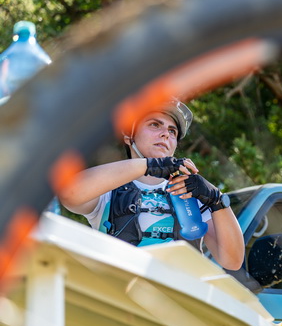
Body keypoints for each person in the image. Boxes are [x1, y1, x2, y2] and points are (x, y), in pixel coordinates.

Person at [59, 100, 244, 271]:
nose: (165, 134)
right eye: (155, 124)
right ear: (128, 135)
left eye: (172, 131)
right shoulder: (107, 189)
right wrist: (149, 165)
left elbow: (233, 261)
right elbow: (69, 192)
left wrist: (216, 198)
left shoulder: (192, 195)